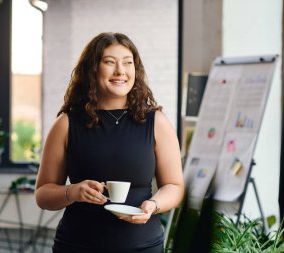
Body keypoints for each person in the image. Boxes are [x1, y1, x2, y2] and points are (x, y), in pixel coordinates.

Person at [35, 32, 184, 253]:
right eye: (109, 62)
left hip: (142, 247)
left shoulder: (156, 122)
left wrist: (153, 205)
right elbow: (43, 194)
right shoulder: (66, 123)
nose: (120, 71)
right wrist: (73, 192)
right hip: (77, 246)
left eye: (127, 63)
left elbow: (175, 186)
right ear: (92, 69)